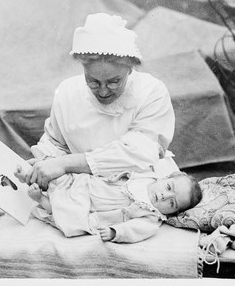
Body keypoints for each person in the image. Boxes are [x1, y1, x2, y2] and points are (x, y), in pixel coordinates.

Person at [16, 12, 178, 190]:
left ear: (130, 69)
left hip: (146, 188)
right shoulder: (67, 92)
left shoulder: (151, 91)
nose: (102, 91)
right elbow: (54, 142)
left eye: (114, 82)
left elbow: (139, 153)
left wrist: (65, 163)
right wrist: (45, 162)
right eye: (93, 81)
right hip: (84, 189)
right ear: (83, 67)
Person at [16, 170, 202, 243]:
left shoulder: (152, 216)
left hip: (91, 207)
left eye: (171, 203)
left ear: (173, 212)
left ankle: (43, 200)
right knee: (64, 179)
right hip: (90, 185)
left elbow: (138, 229)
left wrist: (116, 232)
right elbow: (124, 170)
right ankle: (30, 176)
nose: (164, 196)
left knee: (72, 219)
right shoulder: (146, 176)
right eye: (169, 188)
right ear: (165, 178)